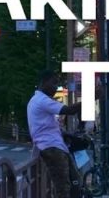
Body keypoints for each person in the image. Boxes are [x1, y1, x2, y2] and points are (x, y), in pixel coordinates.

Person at [26, 70, 82, 198]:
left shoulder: (35, 100)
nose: (56, 87)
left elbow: (45, 126)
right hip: (51, 147)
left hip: (54, 146)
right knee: (64, 186)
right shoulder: (42, 101)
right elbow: (68, 110)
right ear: (44, 83)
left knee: (72, 181)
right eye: (54, 83)